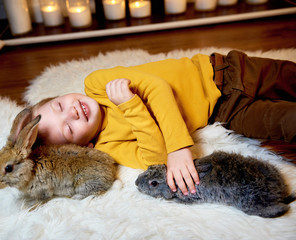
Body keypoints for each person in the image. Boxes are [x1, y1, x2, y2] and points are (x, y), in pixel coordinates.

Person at [32, 50, 296, 196]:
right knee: (286, 122)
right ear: (85, 146)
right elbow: (153, 157)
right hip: (228, 111)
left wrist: (178, 148)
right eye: (68, 128)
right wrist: (131, 106)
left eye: (59, 105)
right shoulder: (108, 145)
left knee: (289, 76)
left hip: (224, 70)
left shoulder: (97, 83)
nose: (73, 112)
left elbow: (157, 87)